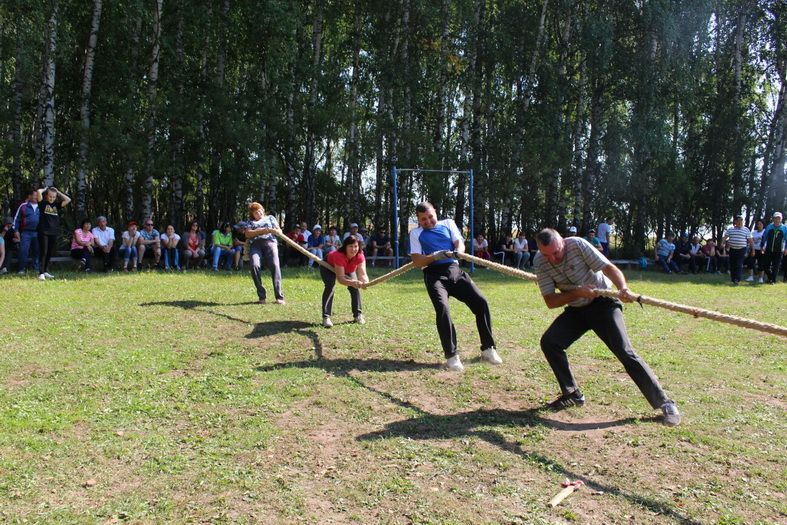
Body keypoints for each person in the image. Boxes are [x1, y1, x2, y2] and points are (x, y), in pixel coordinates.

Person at [533, 228, 680, 426]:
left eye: (556, 252)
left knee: (624, 350)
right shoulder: (540, 261)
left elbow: (608, 268)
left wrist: (623, 288)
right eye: (547, 255)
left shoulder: (577, 245)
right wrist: (578, 293)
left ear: (563, 243)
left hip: (603, 304)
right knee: (550, 342)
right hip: (577, 310)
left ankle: (665, 403)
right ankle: (572, 393)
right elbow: (550, 301)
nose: (553, 258)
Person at [409, 201, 502, 371]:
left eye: (430, 217)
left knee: (481, 302)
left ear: (435, 211)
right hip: (434, 275)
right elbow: (416, 261)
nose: (428, 221)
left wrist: (458, 250)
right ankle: (452, 356)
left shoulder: (448, 223)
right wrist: (435, 256)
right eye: (423, 219)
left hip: (455, 271)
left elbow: (459, 243)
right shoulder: (416, 233)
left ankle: (488, 349)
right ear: (418, 220)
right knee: (443, 309)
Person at [320, 235, 369, 327]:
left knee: (355, 288)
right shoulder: (339, 256)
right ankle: (326, 317)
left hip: (348, 269)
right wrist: (353, 282)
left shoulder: (360, 256)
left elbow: (362, 274)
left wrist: (365, 282)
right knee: (330, 287)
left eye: (356, 246)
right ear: (345, 247)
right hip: (328, 267)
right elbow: (341, 279)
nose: (353, 249)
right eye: (350, 246)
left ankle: (358, 315)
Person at [242, 202, 285, 304]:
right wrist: (262, 230)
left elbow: (279, 231)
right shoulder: (250, 222)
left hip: (270, 243)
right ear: (252, 214)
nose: (259, 213)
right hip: (255, 244)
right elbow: (248, 234)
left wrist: (275, 230)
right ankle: (262, 296)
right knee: (254, 265)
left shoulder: (270, 218)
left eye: (260, 210)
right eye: (256, 212)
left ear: (263, 210)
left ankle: (279, 297)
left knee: (275, 265)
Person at [37, 186, 71, 281]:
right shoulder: (43, 203)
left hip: (53, 232)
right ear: (47, 196)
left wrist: (58, 192)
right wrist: (45, 189)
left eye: (54, 197)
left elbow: (68, 199)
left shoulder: (57, 205)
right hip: (43, 231)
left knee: (49, 252)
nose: (52, 198)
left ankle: (45, 271)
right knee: (43, 252)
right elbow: (38, 192)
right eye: (50, 196)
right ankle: (40, 273)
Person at [12, 189, 41, 274]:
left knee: (37, 251)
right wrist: (16, 230)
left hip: (38, 232)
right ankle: (21, 269)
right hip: (26, 233)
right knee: (23, 251)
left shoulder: (42, 205)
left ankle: (36, 269)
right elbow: (16, 219)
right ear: (30, 196)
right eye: (35, 195)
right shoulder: (23, 206)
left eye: (37, 195)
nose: (36, 197)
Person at [722, 216, 752, 285]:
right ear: (735, 221)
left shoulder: (746, 229)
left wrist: (752, 249)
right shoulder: (730, 229)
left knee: (739, 264)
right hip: (732, 249)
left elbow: (750, 240)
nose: (740, 222)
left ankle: (737, 279)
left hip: (742, 249)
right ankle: (733, 279)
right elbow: (725, 237)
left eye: (741, 220)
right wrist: (722, 243)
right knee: (732, 264)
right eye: (738, 221)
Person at [760, 211, 787, 285]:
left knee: (776, 266)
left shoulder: (784, 228)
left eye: (778, 218)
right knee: (766, 266)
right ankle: (771, 277)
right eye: (775, 218)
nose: (777, 220)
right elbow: (764, 237)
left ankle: (773, 280)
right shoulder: (769, 227)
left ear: (781, 219)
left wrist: (786, 249)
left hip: (779, 251)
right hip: (768, 250)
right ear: (773, 219)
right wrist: (762, 246)